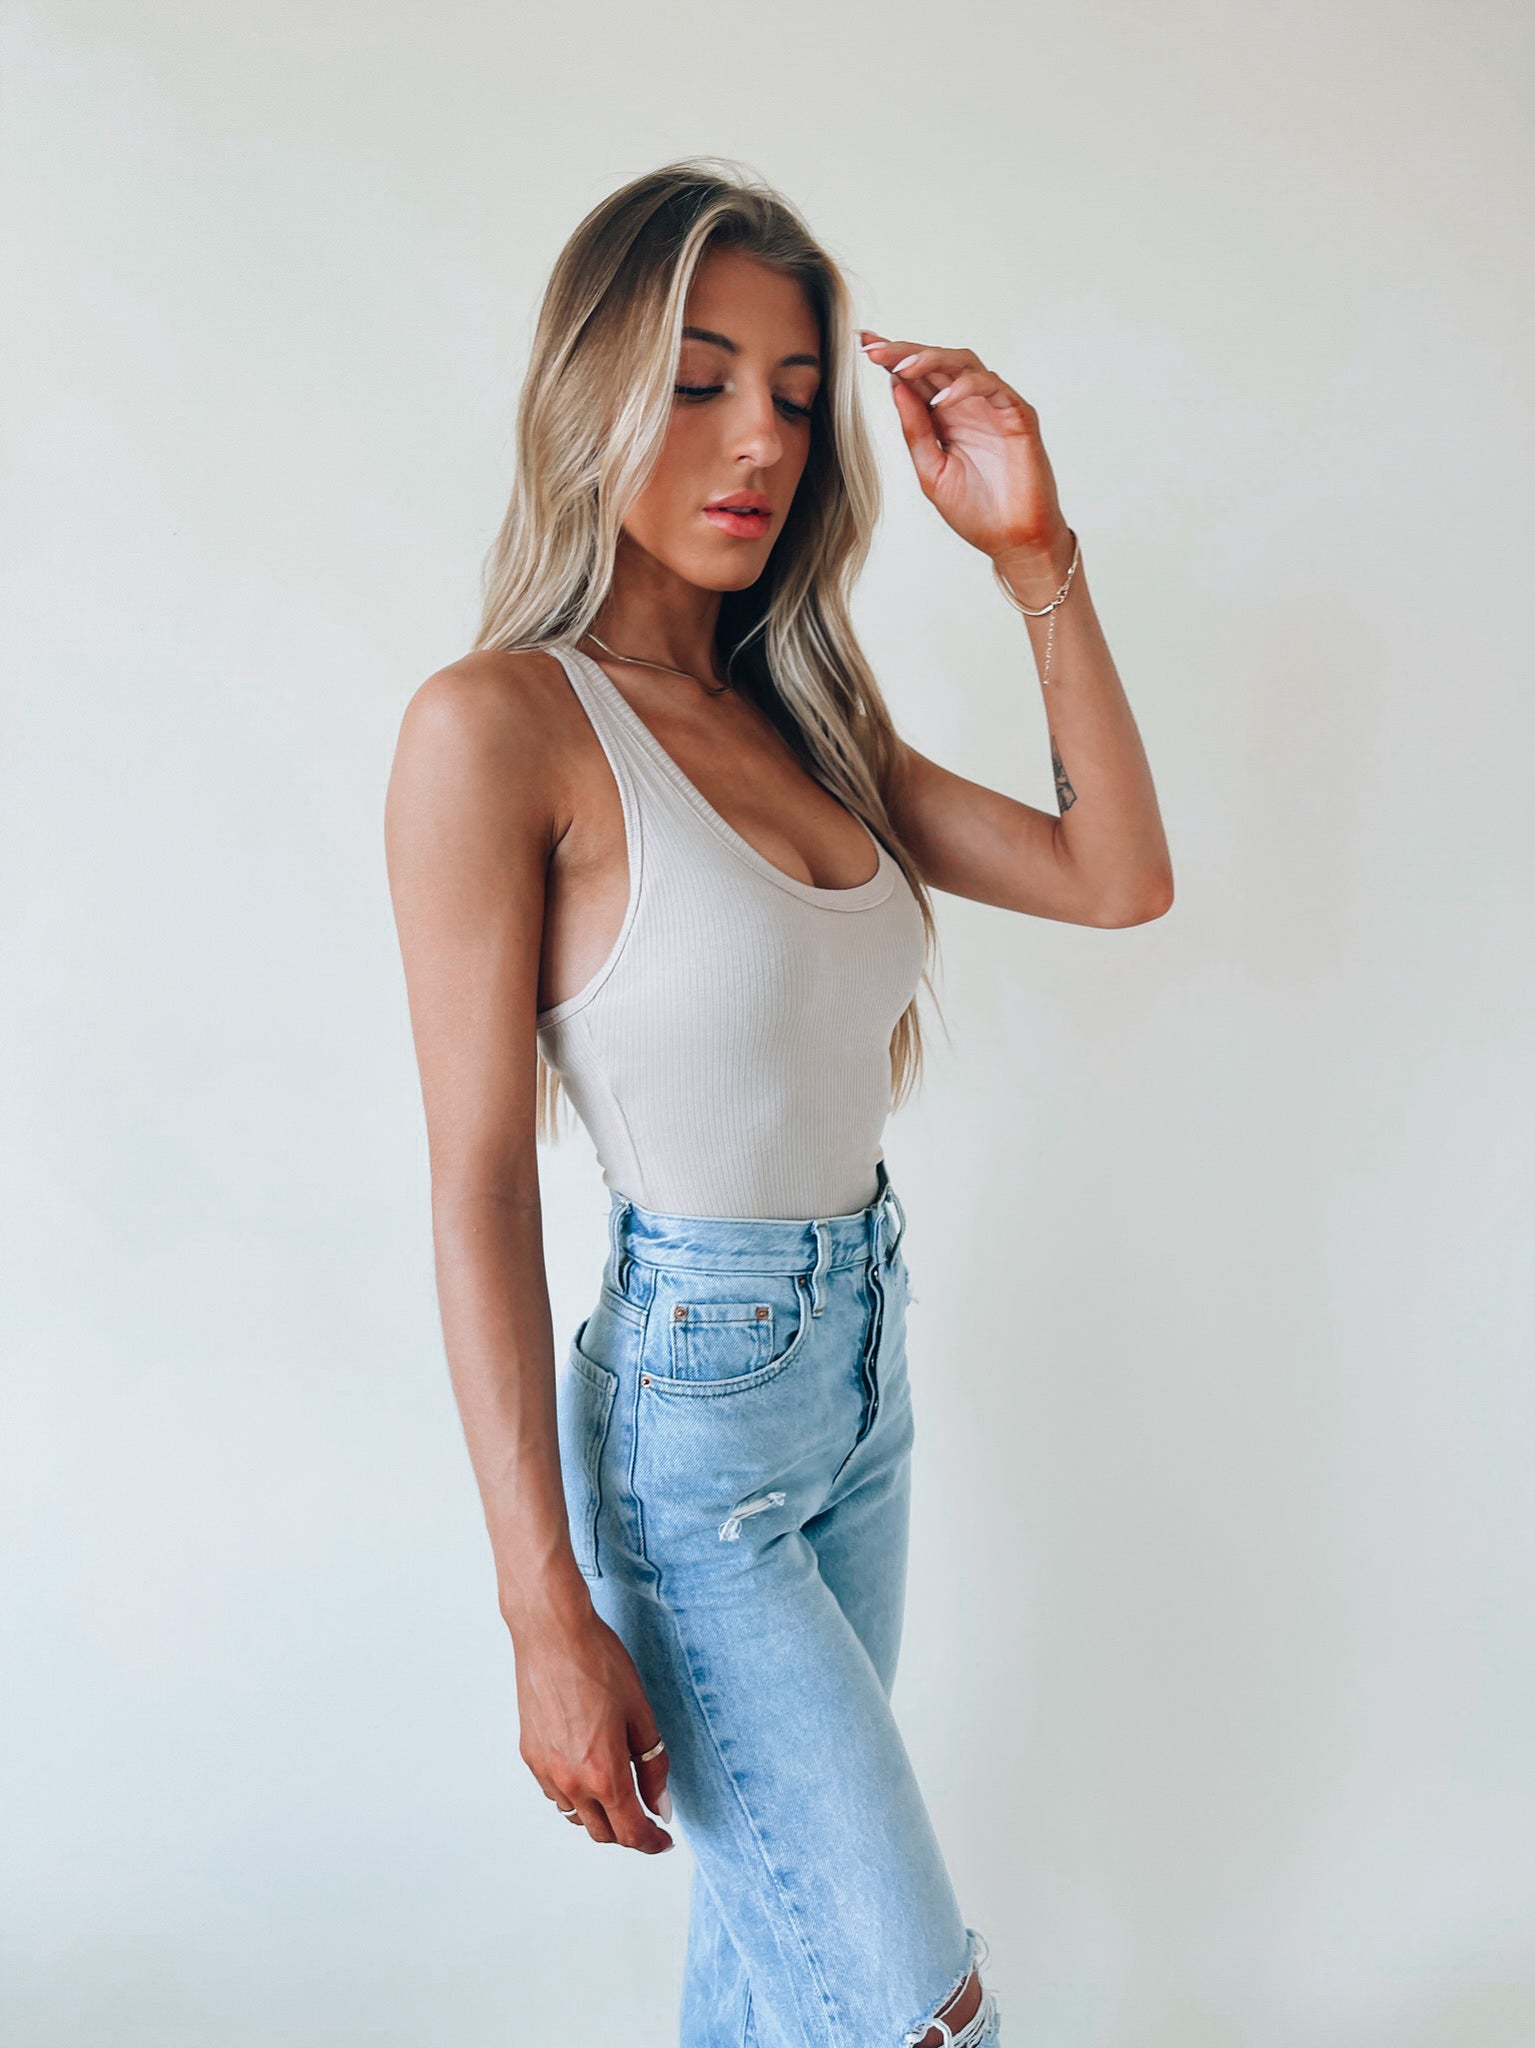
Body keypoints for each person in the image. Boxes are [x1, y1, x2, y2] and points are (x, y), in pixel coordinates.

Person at [384, 156, 1172, 2048]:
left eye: (800, 399)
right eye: (699, 382)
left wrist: (1033, 557)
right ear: (593, 391)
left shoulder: (809, 722)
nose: (759, 441)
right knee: (912, 2008)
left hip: (860, 1386)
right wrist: (540, 1608)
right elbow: (477, 1184)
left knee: (773, 1985)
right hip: (692, 1434)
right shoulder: (497, 727)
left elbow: (1116, 876)